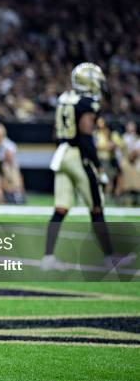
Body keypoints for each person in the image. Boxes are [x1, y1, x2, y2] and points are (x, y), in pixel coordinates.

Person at [43, 63, 135, 270]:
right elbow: (85, 135)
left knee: (60, 207)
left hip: (62, 153)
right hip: (78, 156)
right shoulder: (87, 103)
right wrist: (98, 166)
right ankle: (110, 256)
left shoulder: (64, 99)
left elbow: (57, 132)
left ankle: (47, 258)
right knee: (96, 207)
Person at [0, 123, 25, 204]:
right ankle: (2, 197)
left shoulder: (8, 145)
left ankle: (17, 195)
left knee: (9, 171)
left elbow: (11, 162)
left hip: (9, 171)